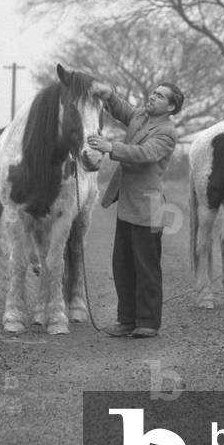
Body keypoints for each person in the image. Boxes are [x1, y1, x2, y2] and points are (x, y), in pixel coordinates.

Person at [87, 81, 184, 338]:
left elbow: (144, 153)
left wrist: (111, 148)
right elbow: (123, 110)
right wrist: (109, 95)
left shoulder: (167, 132)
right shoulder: (141, 116)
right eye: (154, 92)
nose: (152, 97)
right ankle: (126, 320)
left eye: (160, 96)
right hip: (129, 204)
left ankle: (148, 323)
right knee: (123, 264)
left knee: (146, 267)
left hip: (148, 206)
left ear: (171, 107)